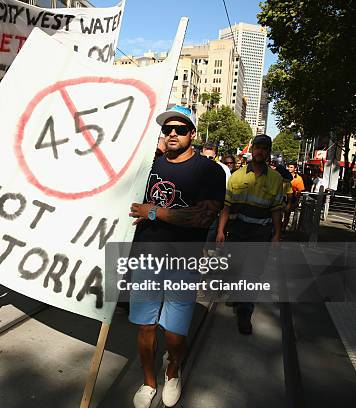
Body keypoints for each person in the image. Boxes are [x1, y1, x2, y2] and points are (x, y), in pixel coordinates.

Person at [129, 106, 226, 407]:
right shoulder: (149, 167)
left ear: (192, 134)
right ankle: (148, 381)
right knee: (144, 326)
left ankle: (172, 371)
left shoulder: (208, 171)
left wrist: (155, 212)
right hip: (146, 257)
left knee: (175, 332)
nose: (172, 133)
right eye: (167, 129)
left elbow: (203, 218)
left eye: (180, 129)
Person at [216, 134, 284, 334]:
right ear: (252, 149)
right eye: (257, 147)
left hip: (259, 236)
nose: (260, 151)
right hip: (235, 234)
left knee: (252, 275)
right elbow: (226, 207)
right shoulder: (236, 176)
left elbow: (276, 210)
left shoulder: (276, 179)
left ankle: (245, 313)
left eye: (264, 148)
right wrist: (220, 230)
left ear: (268, 152)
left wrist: (277, 235)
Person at [284, 162, 305, 230]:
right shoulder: (283, 175)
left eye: (291, 167)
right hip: (282, 197)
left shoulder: (299, 178)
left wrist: (296, 202)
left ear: (295, 169)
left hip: (292, 198)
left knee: (287, 215)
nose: (289, 168)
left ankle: (283, 228)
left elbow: (299, 192)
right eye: (289, 167)